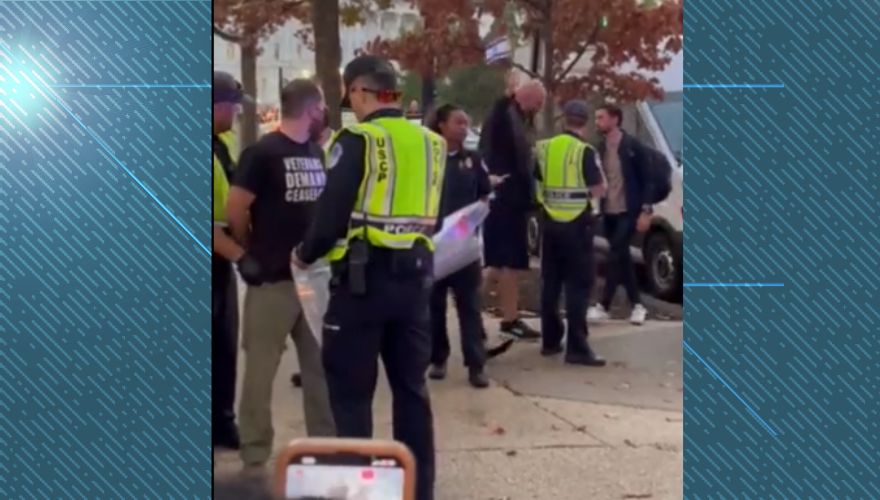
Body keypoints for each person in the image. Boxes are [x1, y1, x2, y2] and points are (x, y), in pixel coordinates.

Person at [293, 55, 445, 500]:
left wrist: (303, 256)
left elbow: (329, 218)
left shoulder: (358, 138)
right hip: (415, 284)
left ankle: (361, 492)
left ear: (360, 90)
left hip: (362, 287)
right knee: (412, 392)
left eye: (350, 95)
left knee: (352, 398)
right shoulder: (430, 142)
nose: (349, 105)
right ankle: (418, 491)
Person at [227, 79, 336, 473]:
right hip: (272, 282)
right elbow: (236, 206)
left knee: (320, 371)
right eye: (321, 107)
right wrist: (248, 249)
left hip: (311, 281)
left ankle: (326, 446)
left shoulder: (315, 152)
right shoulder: (262, 153)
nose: (324, 114)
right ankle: (255, 451)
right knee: (260, 372)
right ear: (311, 109)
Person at [535, 100, 607, 366]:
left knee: (550, 283)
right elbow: (598, 188)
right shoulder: (584, 151)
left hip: (551, 223)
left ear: (564, 119)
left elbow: (538, 182)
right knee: (578, 286)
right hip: (578, 224)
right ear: (584, 122)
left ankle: (550, 341)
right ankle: (577, 347)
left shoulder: (545, 149)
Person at [426, 104, 493, 388]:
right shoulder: (427, 159)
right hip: (433, 245)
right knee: (434, 307)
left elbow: (484, 197)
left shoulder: (473, 160)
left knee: (470, 306)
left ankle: (476, 364)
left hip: (463, 246)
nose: (464, 128)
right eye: (458, 122)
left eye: (466, 123)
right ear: (441, 125)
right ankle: (438, 358)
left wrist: (465, 230)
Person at [479, 77, 546, 340]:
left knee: (505, 263)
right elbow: (516, 157)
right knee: (501, 262)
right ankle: (477, 312)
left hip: (509, 198)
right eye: (538, 103)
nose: (539, 108)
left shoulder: (513, 115)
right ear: (526, 97)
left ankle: (509, 318)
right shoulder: (506, 113)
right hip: (505, 197)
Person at [212, 71, 252, 450]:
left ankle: (222, 421)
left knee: (224, 345)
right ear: (218, 105)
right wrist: (243, 257)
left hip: (221, 262)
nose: (239, 113)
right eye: (235, 106)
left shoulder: (224, 143)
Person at [587, 104, 654, 325]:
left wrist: (646, 210)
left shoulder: (633, 146)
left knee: (616, 252)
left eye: (601, 117)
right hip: (609, 211)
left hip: (629, 210)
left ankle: (603, 304)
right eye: (596, 118)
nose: (597, 122)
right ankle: (637, 305)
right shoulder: (599, 147)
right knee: (622, 257)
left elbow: (648, 179)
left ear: (615, 119)